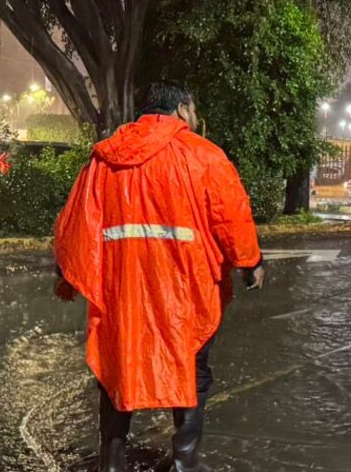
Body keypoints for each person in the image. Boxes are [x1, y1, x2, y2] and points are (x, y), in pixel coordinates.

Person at [54, 82, 264, 472]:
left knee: (117, 370)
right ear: (181, 109)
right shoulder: (204, 156)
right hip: (186, 290)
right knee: (192, 369)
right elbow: (231, 217)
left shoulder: (104, 159)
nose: (195, 117)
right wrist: (251, 262)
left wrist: (66, 272)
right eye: (193, 109)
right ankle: (184, 461)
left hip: (123, 290)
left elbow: (77, 221)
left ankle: (111, 462)